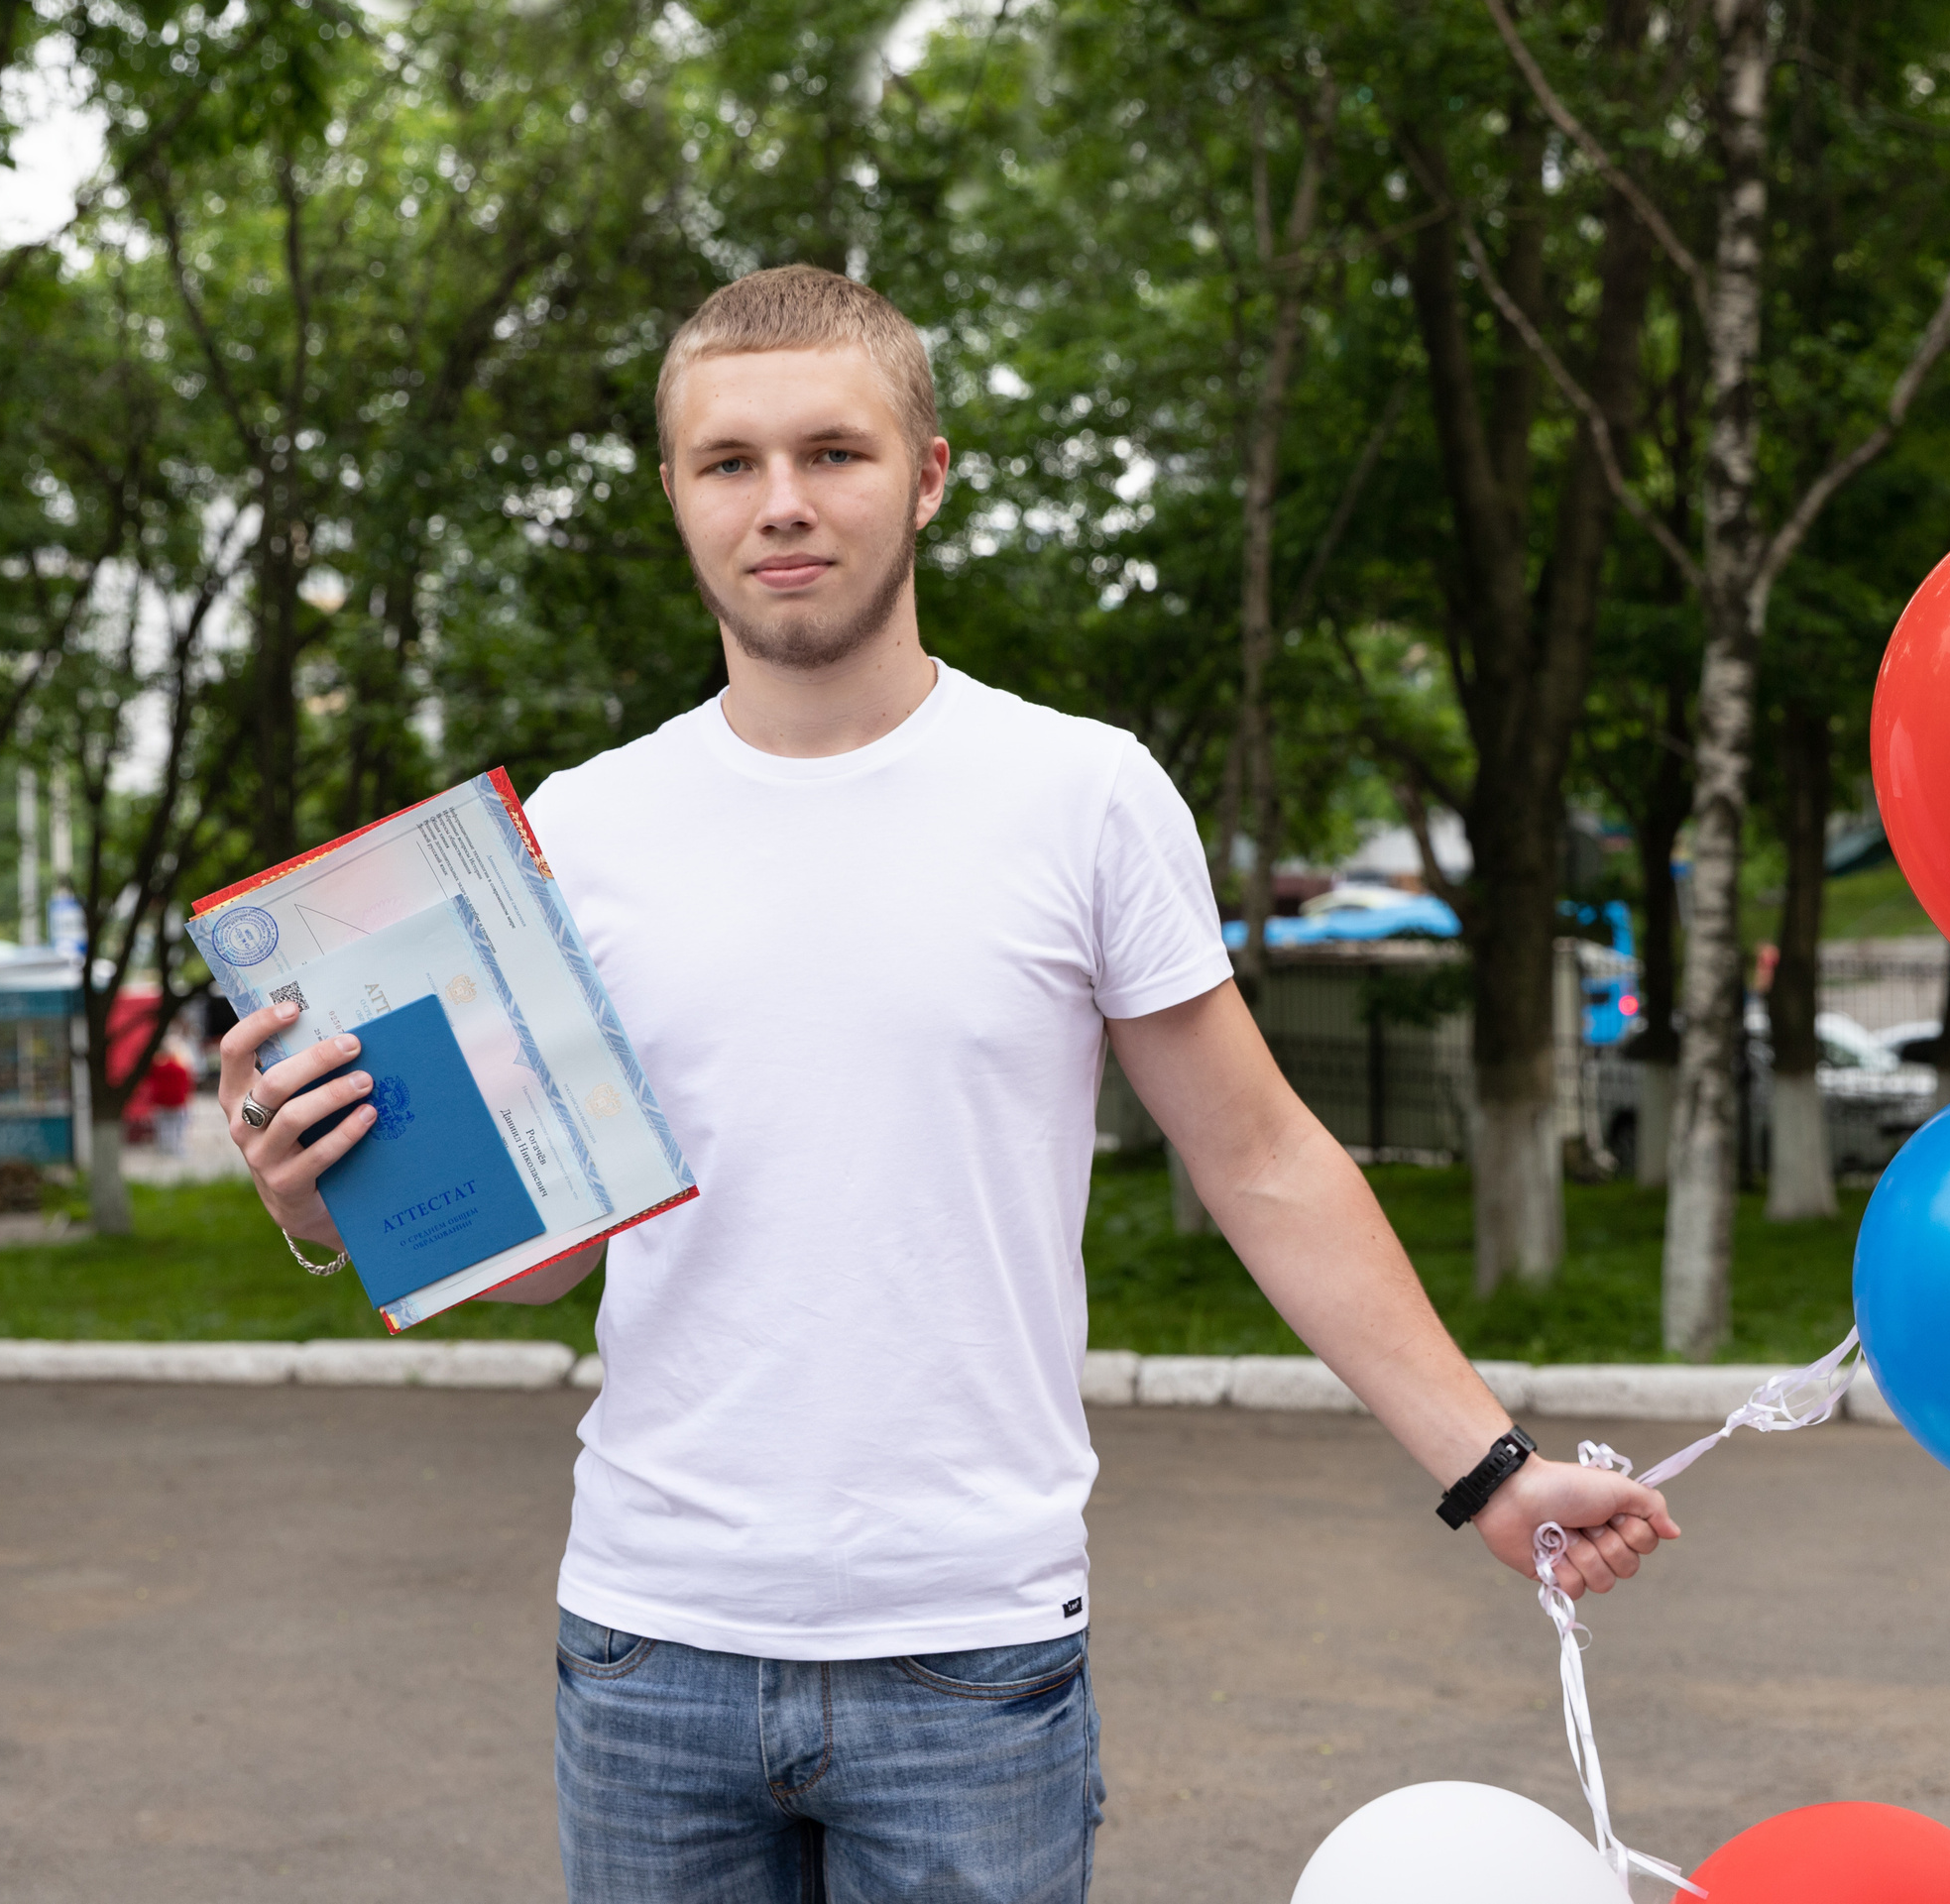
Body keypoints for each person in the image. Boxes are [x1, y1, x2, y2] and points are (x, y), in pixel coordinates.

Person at [215, 265, 1680, 1902]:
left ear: (926, 473)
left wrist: (1487, 1465)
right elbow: (560, 1243)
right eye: (730, 462)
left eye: (833, 452)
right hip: (648, 1647)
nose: (782, 504)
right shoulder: (578, 830)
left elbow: (1263, 1161)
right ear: (676, 495)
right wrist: (329, 1201)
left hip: (968, 1659)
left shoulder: (1082, 795)